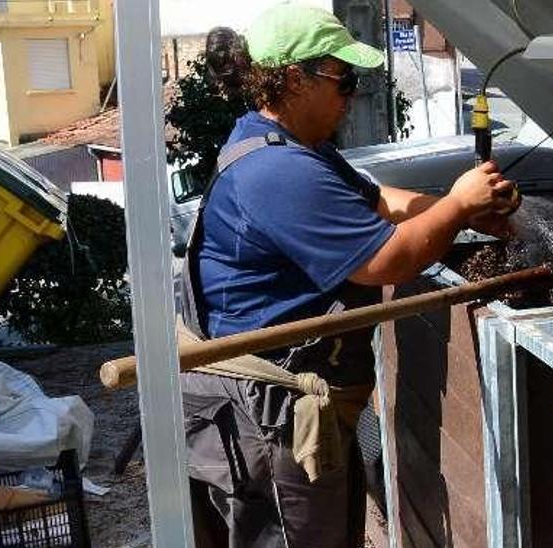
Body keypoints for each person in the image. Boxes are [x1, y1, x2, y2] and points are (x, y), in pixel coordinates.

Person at [178, 5, 519, 547]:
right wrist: (455, 205)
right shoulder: (278, 171)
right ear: (294, 79)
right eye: (344, 79)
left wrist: (459, 209)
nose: (352, 93)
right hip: (269, 414)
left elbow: (379, 200)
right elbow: (387, 261)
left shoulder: (291, 145)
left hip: (279, 400)